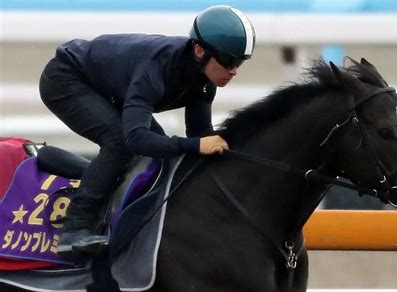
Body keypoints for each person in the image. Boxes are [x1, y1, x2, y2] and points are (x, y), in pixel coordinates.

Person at [39, 5, 256, 259]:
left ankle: (100, 188)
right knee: (121, 141)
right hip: (65, 78)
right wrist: (196, 145)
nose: (234, 71)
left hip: (106, 87)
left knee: (158, 150)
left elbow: (201, 135)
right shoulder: (157, 68)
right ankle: (74, 231)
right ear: (200, 50)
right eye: (228, 60)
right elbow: (137, 138)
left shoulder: (204, 81)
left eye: (240, 62)